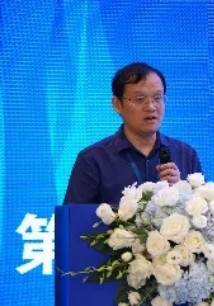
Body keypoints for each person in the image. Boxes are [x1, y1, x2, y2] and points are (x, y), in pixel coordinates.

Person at [64, 62, 202, 205]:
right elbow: (73, 216)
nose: (151, 107)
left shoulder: (186, 155)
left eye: (157, 98)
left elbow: (203, 211)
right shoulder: (93, 160)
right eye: (139, 99)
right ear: (117, 104)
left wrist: (182, 190)